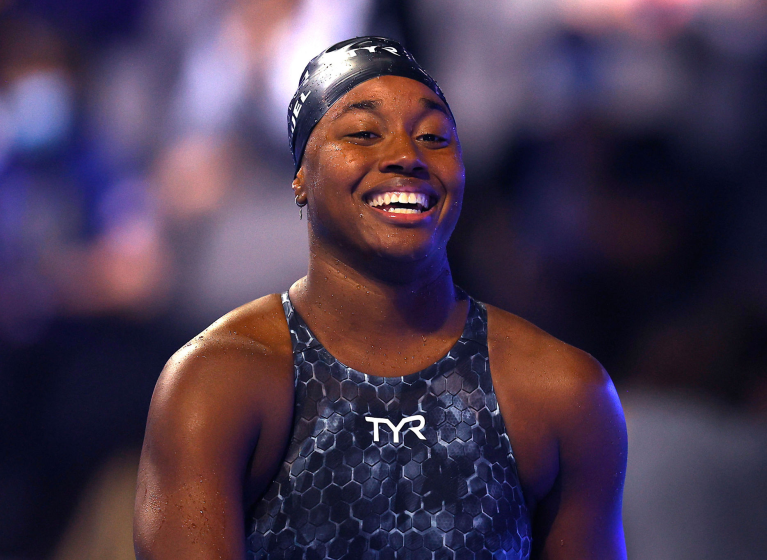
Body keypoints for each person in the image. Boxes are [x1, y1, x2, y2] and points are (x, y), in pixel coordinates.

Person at [134, 36, 627, 560]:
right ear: (301, 176)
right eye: (364, 133)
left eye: (434, 138)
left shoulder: (561, 391)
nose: (405, 157)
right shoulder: (220, 380)